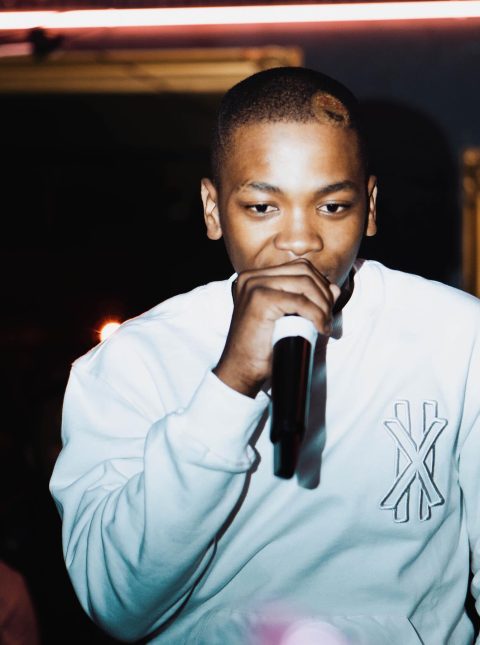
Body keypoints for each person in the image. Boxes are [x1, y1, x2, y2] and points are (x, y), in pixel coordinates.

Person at [50, 67, 480, 644]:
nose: (299, 239)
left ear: (371, 207)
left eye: (333, 206)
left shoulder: (459, 336)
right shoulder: (132, 362)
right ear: (212, 209)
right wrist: (229, 387)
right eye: (261, 207)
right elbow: (117, 604)